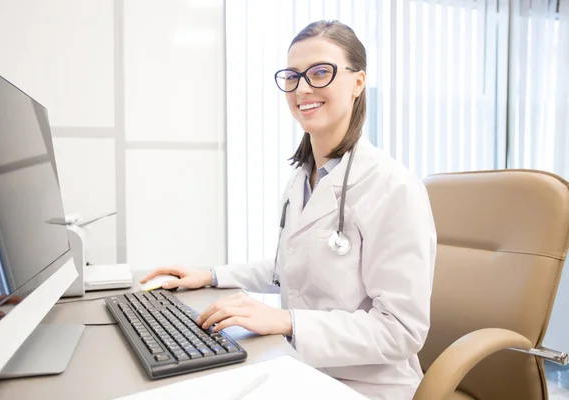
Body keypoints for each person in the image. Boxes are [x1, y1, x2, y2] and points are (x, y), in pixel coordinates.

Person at [141, 20, 437, 400]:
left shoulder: (393, 187)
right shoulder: (302, 177)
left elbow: (401, 331)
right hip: (300, 368)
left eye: (320, 73)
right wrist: (210, 275)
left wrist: (286, 321)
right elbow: (287, 269)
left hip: (368, 385)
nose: (303, 88)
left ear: (358, 83)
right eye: (292, 76)